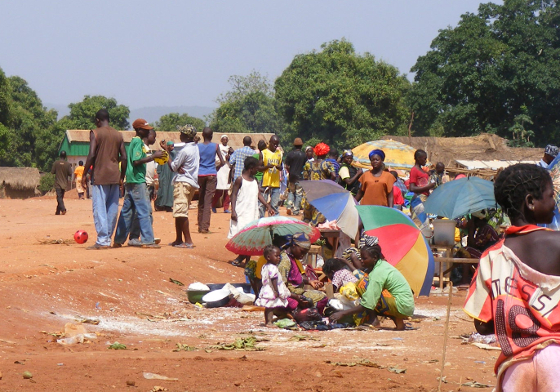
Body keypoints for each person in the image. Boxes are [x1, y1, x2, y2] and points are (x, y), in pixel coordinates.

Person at [463, 163, 560, 391]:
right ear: (530, 202)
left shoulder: (491, 257)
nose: (554, 202)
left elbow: (482, 325)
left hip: (516, 365)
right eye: (550, 195)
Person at [329, 238, 414, 330]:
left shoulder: (378, 272)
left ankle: (374, 321)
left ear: (374, 258)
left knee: (362, 284)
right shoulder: (382, 266)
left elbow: (368, 303)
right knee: (367, 285)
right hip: (406, 306)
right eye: (361, 258)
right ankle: (398, 322)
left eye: (364, 258)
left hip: (401, 306)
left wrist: (342, 313)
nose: (361, 260)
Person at [113, 120, 164, 248]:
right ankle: (148, 240)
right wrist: (154, 156)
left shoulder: (135, 142)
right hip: (137, 180)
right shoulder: (137, 142)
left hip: (131, 180)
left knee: (126, 212)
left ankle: (118, 240)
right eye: (145, 129)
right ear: (139, 130)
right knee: (144, 210)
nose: (147, 131)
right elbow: (136, 161)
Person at [82, 109, 127, 250]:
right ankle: (106, 238)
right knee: (112, 209)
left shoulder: (95, 133)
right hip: (114, 176)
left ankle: (102, 241)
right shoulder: (118, 135)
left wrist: (84, 174)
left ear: (97, 120)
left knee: (100, 208)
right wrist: (121, 176)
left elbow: (91, 154)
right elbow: (124, 157)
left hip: (100, 176)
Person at [228, 157, 274, 266]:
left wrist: (267, 205)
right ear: (251, 168)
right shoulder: (240, 180)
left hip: (252, 213)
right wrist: (233, 211)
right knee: (243, 236)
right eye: (257, 167)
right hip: (242, 212)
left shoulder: (255, 181)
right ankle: (241, 257)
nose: (258, 170)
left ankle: (247, 260)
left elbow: (258, 194)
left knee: (250, 237)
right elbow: (233, 195)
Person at [164, 124, 199, 248]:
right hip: (191, 182)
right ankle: (178, 239)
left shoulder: (185, 150)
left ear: (186, 136)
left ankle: (188, 240)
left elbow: (173, 166)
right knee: (179, 211)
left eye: (182, 133)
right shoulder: (195, 148)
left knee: (181, 212)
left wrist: (166, 153)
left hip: (182, 182)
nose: (180, 135)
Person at [278, 232, 328, 314]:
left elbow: (293, 278)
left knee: (322, 296)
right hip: (289, 296)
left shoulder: (293, 259)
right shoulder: (285, 262)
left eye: (305, 253)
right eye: (302, 252)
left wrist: (309, 282)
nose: (302, 256)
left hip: (297, 294)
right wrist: (297, 297)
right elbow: (281, 287)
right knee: (319, 299)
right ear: (294, 246)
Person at [255, 245, 291, 327]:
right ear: (268, 257)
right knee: (270, 307)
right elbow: (273, 279)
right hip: (271, 289)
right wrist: (276, 290)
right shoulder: (272, 267)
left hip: (266, 288)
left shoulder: (265, 266)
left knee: (268, 307)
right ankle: (269, 322)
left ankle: (268, 321)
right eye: (276, 256)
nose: (279, 258)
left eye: (279, 256)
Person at [197, 127, 224, 234]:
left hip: (200, 174)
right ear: (212, 135)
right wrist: (215, 169)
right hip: (211, 174)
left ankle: (200, 225)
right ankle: (205, 227)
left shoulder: (198, 147)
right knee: (208, 201)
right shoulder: (215, 146)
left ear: (202, 135)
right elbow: (222, 161)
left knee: (201, 200)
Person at [259, 135, 283, 216]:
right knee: (262, 204)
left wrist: (280, 167)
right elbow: (259, 167)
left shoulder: (279, 153)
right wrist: (266, 166)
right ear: (269, 143)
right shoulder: (263, 153)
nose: (275, 146)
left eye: (277, 144)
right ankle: (261, 222)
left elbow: (281, 166)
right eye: (274, 144)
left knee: (275, 205)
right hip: (265, 182)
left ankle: (274, 222)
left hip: (275, 183)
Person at [284, 138, 307, 216]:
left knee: (291, 191)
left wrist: (290, 171)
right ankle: (296, 210)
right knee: (299, 194)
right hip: (300, 177)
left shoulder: (290, 154)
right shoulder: (303, 155)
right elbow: (306, 166)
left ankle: (289, 206)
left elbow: (286, 165)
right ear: (301, 146)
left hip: (292, 176)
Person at [212, 135, 232, 214]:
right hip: (220, 169)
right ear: (221, 140)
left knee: (227, 191)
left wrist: (229, 157)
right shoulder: (218, 147)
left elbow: (232, 160)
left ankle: (226, 208)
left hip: (227, 169)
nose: (225, 141)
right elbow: (216, 159)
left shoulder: (229, 148)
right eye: (223, 140)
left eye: (226, 140)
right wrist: (224, 159)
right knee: (219, 190)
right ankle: (213, 205)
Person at [155, 141, 175, 212]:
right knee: (162, 189)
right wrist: (159, 173)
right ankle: (159, 204)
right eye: (171, 146)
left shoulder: (174, 154)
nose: (172, 147)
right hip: (163, 174)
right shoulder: (162, 154)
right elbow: (159, 165)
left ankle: (168, 206)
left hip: (171, 175)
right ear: (168, 146)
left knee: (170, 190)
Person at [51, 151, 72, 215]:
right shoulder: (67, 164)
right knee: (60, 198)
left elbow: (52, 172)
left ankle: (63, 209)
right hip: (64, 183)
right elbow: (70, 173)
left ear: (60, 156)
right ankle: (57, 211)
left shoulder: (56, 163)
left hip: (58, 183)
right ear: (65, 156)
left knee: (59, 198)